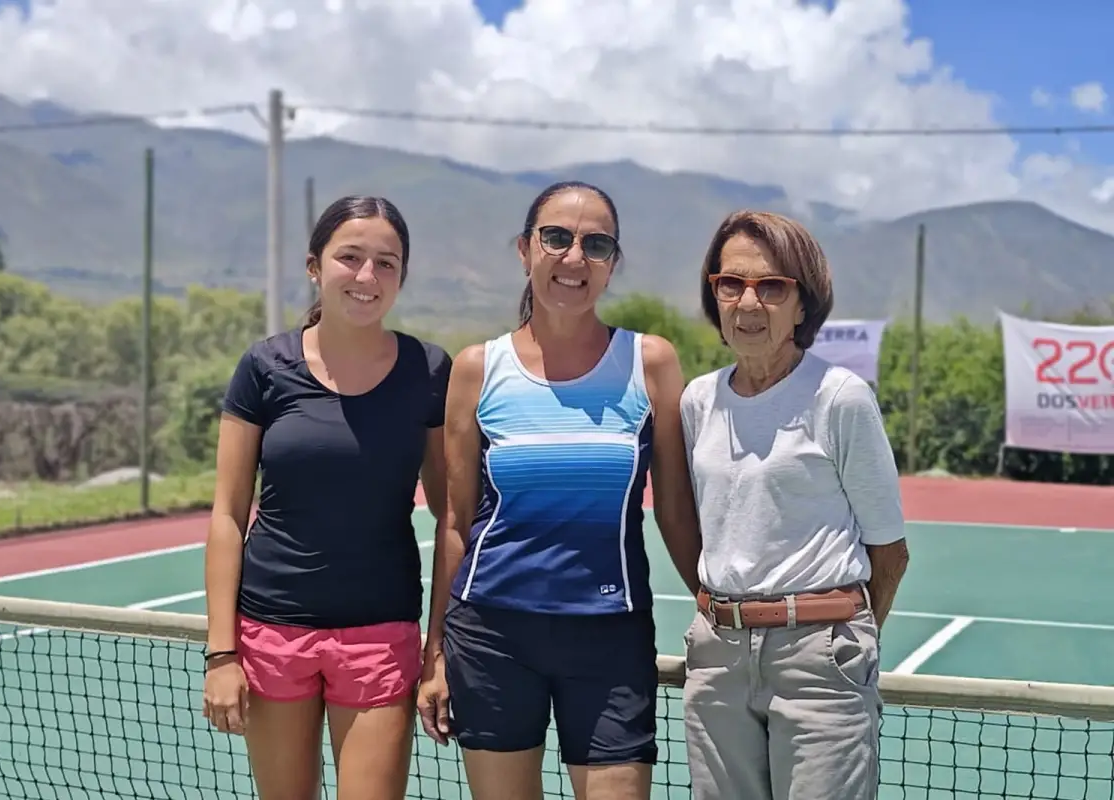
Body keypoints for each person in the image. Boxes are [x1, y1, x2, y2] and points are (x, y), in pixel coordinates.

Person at [417, 181, 703, 800]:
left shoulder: (650, 363)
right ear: (525, 250)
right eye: (556, 237)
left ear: (611, 264)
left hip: (610, 637)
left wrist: (714, 601)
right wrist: (434, 650)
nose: (574, 257)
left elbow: (676, 510)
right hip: (490, 635)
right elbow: (454, 523)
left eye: (596, 244)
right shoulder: (476, 369)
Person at [200, 195, 451, 800]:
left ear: (402, 277)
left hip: (380, 635)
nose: (367, 277)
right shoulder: (264, 368)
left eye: (386, 263)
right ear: (315, 267)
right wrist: (221, 654)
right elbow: (229, 515)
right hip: (271, 633)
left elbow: (451, 517)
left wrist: (438, 649)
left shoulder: (430, 371)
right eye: (350, 257)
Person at [679, 209, 910, 800]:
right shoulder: (698, 400)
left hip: (821, 659)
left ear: (803, 304)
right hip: (716, 660)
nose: (748, 302)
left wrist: (837, 642)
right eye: (731, 283)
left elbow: (890, 552)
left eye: (771, 286)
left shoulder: (841, 398)